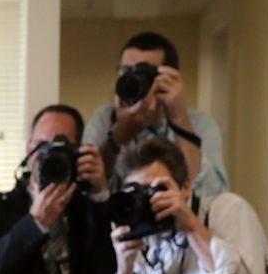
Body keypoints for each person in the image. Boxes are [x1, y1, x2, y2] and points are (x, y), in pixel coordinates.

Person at [82, 31, 230, 199]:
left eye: (142, 73)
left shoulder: (199, 124)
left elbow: (212, 196)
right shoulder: (105, 117)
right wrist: (119, 135)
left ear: (169, 77)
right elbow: (87, 187)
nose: (132, 80)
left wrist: (179, 119)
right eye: (126, 72)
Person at [110, 136, 268, 274]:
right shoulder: (143, 232)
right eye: (138, 194)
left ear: (185, 187)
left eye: (155, 190)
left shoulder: (228, 209)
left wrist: (191, 226)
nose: (149, 202)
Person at [0, 104, 115, 274]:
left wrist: (100, 194)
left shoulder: (88, 209)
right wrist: (35, 223)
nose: (48, 154)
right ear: (28, 149)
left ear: (78, 151)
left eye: (60, 146)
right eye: (41, 145)